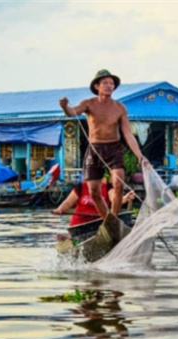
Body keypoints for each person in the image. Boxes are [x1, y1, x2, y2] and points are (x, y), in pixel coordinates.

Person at [59, 69, 148, 219]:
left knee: (118, 184)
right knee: (94, 191)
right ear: (97, 86)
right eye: (105, 83)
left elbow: (127, 133)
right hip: (94, 149)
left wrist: (139, 155)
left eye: (111, 83)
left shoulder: (120, 108)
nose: (109, 86)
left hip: (114, 148)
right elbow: (72, 112)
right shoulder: (88, 103)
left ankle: (114, 217)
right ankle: (107, 219)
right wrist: (64, 106)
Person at [52, 179, 136, 227]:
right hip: (79, 225)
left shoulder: (107, 187)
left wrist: (125, 198)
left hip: (99, 224)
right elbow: (67, 203)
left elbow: (115, 199)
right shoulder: (81, 187)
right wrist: (60, 209)